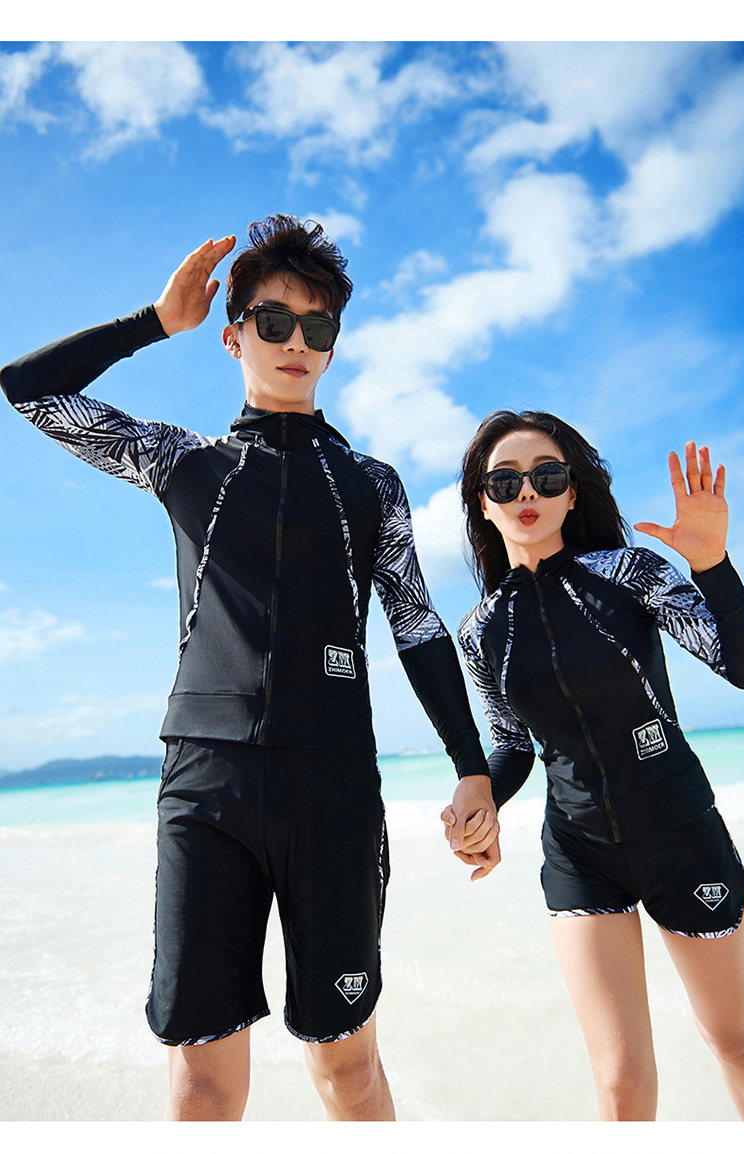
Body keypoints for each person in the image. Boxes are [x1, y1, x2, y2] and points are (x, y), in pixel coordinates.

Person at [1, 216, 497, 1122]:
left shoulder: (372, 485)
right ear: (235, 336)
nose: (297, 342)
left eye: (318, 326)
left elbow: (417, 625)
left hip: (333, 787)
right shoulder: (184, 461)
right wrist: (154, 323)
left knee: (347, 1066)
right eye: (274, 321)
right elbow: (27, 389)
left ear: (333, 346)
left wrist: (472, 767)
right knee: (201, 1079)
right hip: (207, 784)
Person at [442, 408, 744, 1120]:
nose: (528, 491)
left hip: (680, 832)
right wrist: (478, 797)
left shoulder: (631, 573)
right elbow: (512, 743)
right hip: (580, 852)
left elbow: (742, 667)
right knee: (619, 1083)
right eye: (506, 481)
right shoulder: (481, 630)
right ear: (483, 503)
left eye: (548, 476)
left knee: (736, 1042)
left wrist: (712, 564)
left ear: (572, 493)